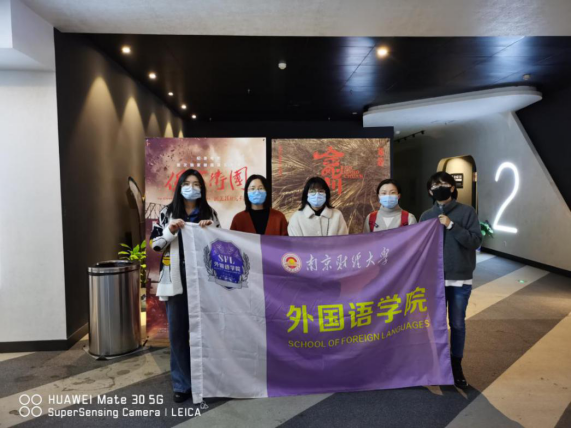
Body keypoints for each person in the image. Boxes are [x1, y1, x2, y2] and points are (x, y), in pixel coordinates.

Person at [150, 169, 220, 403]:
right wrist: (170, 231)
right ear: (179, 187)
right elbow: (155, 245)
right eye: (187, 183)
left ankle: (206, 381)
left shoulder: (210, 213)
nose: (192, 187)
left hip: (203, 279)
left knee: (206, 332)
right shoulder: (167, 212)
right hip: (176, 277)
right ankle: (182, 383)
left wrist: (210, 230)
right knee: (178, 333)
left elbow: (220, 246)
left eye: (196, 183)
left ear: (202, 187)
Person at [419, 171, 482, 389]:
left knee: (457, 323)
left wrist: (452, 226)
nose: (440, 188)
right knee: (435, 325)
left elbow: (475, 241)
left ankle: (456, 365)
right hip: (434, 280)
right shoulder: (426, 215)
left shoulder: (467, 212)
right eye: (435, 185)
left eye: (444, 184)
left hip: (459, 279)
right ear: (430, 191)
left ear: (453, 188)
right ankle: (438, 364)